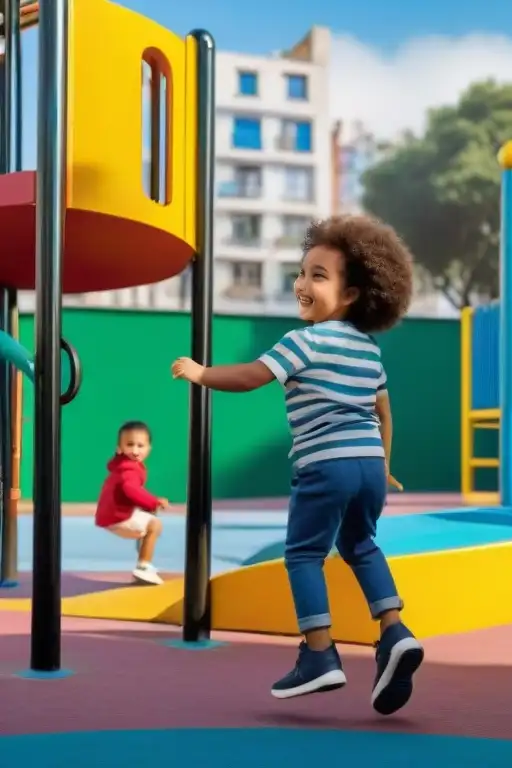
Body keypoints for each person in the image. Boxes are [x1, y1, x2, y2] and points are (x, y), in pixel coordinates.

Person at [171, 215, 420, 716]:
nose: (302, 285)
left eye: (318, 276)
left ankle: (319, 652)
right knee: (361, 544)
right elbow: (384, 412)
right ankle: (394, 630)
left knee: (304, 554)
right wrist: (385, 465)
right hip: (368, 465)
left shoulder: (303, 341)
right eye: (302, 273)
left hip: (324, 465)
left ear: (352, 294)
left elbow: (249, 377)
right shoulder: (370, 351)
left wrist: (201, 373)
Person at [94, 420, 169, 585]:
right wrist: (154, 502)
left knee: (147, 519)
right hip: (117, 516)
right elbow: (131, 489)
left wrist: (148, 507)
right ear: (119, 448)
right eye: (129, 445)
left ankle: (143, 562)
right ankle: (143, 566)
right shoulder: (130, 469)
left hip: (110, 514)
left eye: (140, 445)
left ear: (149, 448)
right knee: (155, 525)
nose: (135, 450)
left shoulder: (122, 465)